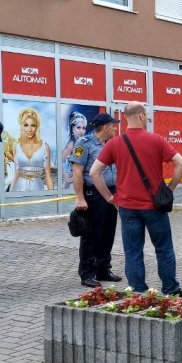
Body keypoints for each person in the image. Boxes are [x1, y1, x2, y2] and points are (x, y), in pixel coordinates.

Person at [90, 102, 182, 297]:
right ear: (142, 116)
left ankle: (138, 292)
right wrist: (170, 188)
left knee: (133, 252)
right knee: (164, 249)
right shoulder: (156, 140)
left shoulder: (115, 144)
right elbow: (181, 164)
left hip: (127, 207)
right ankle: (171, 289)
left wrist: (110, 197)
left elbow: (94, 172)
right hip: (155, 206)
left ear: (126, 117)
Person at [69, 113, 122, 287]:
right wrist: (80, 198)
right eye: (113, 125)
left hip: (111, 193)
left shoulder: (111, 144)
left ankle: (103, 269)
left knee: (108, 233)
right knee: (91, 236)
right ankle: (87, 273)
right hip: (93, 194)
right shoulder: (84, 144)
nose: (115, 128)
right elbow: (77, 172)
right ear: (105, 127)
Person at [10, 107, 53, 192]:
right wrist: (9, 194)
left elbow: (48, 174)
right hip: (19, 188)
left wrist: (54, 198)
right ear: (21, 126)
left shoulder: (45, 146)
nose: (29, 129)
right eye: (26, 125)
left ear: (37, 126)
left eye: (33, 125)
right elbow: (16, 173)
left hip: (38, 188)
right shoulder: (16, 146)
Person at [62, 111, 88, 189]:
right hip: (74, 182)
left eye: (84, 128)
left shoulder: (84, 142)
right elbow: (59, 161)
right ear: (72, 128)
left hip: (85, 180)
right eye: (78, 127)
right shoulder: (71, 144)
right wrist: (67, 179)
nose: (81, 131)